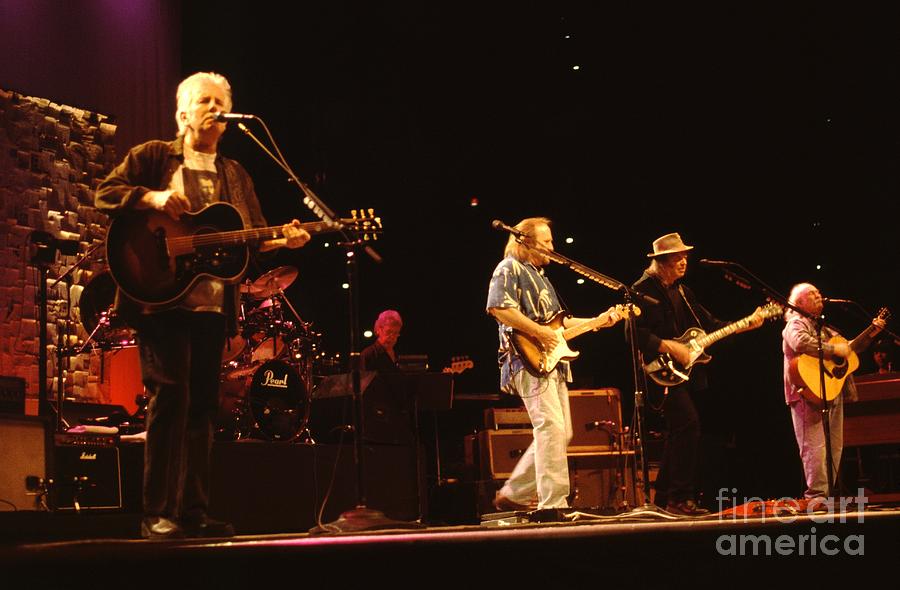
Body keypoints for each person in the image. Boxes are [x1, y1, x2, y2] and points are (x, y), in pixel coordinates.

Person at [96, 72, 311, 539]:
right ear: (183, 113)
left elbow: (250, 239)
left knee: (202, 408)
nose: (214, 109)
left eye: (221, 103)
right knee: (169, 400)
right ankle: (157, 513)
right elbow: (104, 193)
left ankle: (192, 511)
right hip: (160, 301)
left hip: (212, 307)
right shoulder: (154, 157)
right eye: (204, 101)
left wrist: (284, 239)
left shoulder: (235, 174)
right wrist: (151, 196)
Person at [486, 217, 620, 512]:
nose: (552, 247)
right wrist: (540, 332)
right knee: (550, 428)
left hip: (552, 363)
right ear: (526, 240)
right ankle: (553, 503)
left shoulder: (542, 277)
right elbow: (498, 307)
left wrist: (600, 321)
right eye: (546, 241)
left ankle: (515, 492)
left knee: (562, 432)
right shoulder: (509, 267)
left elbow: (560, 325)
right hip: (527, 359)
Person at [631, 233, 764, 516]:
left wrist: (745, 324)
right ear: (661, 261)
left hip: (682, 373)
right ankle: (680, 499)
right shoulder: (642, 291)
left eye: (685, 256)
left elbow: (711, 325)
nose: (684, 261)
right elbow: (633, 333)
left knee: (678, 431)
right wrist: (669, 347)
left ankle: (664, 497)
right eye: (678, 257)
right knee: (688, 425)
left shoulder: (683, 292)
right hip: (658, 374)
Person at [782, 283, 885, 501]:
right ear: (799, 303)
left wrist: (870, 334)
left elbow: (847, 349)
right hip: (807, 390)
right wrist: (832, 350)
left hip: (831, 388)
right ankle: (816, 496)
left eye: (818, 292)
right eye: (812, 294)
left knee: (834, 446)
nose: (819, 295)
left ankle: (825, 494)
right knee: (814, 446)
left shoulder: (825, 328)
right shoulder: (795, 323)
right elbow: (800, 342)